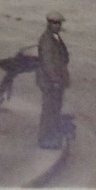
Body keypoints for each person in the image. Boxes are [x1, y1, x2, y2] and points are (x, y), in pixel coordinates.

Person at [36, 12, 71, 149]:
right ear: (49, 23)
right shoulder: (46, 40)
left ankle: (51, 137)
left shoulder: (55, 38)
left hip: (56, 81)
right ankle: (45, 139)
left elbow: (64, 56)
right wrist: (56, 80)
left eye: (59, 23)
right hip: (50, 82)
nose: (57, 26)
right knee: (49, 111)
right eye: (55, 23)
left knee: (55, 109)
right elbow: (48, 63)